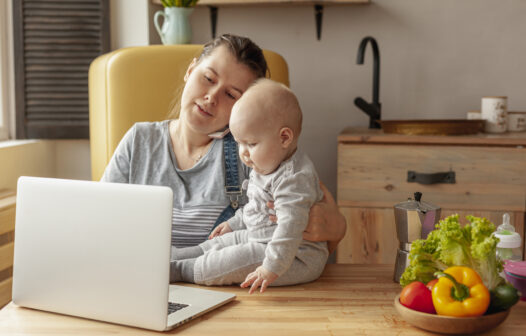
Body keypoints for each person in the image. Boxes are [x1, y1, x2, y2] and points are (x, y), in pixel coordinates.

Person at [100, 33, 345, 268]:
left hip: (230, 294)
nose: (211, 97)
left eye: (231, 94)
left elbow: (319, 234)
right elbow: (98, 220)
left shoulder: (255, 153)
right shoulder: (139, 140)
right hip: (140, 283)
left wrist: (336, 227)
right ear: (190, 70)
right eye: (208, 78)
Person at [171, 78, 328, 293]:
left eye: (251, 144)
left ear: (284, 138)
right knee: (223, 242)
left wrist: (270, 268)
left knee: (231, 260)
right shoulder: (268, 161)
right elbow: (258, 206)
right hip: (262, 236)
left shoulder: (294, 179)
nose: (243, 152)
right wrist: (235, 223)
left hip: (294, 256)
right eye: (239, 142)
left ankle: (179, 269)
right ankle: (180, 255)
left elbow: (289, 229)